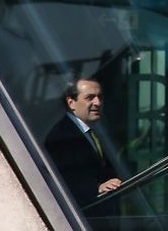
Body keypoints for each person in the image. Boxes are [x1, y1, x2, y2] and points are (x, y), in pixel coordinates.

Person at [43, 78, 123, 225]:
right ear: (71, 102)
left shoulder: (89, 132)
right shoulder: (62, 136)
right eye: (89, 98)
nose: (98, 103)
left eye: (100, 97)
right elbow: (64, 177)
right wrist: (97, 187)